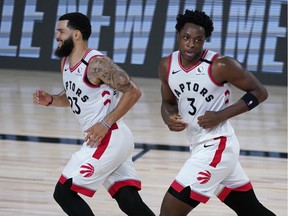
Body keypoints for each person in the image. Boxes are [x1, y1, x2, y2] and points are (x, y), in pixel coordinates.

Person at [33, 12, 155, 216]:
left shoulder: (97, 63)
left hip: (109, 136)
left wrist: (105, 123)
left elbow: (133, 92)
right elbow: (77, 97)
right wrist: (53, 99)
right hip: (107, 137)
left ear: (77, 34)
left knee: (63, 193)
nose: (57, 35)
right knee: (129, 200)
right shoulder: (65, 63)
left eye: (61, 31)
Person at [158, 9, 276, 216]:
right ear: (178, 36)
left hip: (216, 146)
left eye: (198, 39)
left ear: (205, 40)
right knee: (251, 210)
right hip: (199, 145)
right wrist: (168, 117)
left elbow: (259, 92)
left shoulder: (220, 65)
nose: (191, 44)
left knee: (169, 211)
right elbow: (167, 102)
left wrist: (221, 115)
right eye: (186, 37)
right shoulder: (166, 66)